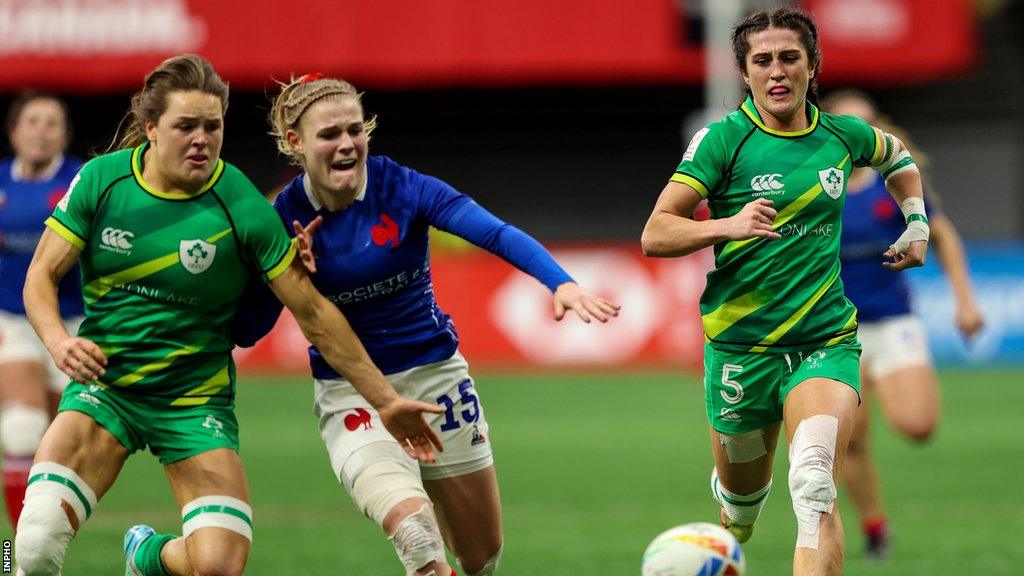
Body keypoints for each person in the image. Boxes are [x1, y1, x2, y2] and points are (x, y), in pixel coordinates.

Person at [14, 54, 442, 576]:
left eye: (211, 126)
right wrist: (59, 341)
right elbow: (40, 276)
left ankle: (147, 556)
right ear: (151, 128)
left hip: (194, 403)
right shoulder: (102, 181)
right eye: (185, 126)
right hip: (108, 390)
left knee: (216, 567)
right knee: (29, 547)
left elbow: (312, 312)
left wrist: (387, 401)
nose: (201, 139)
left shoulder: (242, 205)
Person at [231, 73, 620, 576]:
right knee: (415, 533)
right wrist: (286, 277)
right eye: (329, 135)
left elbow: (493, 232)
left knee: (481, 557)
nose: (347, 143)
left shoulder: (402, 187)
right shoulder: (279, 220)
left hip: (438, 380)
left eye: (355, 129)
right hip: (353, 394)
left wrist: (559, 282)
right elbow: (248, 330)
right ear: (295, 143)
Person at [640, 7, 928, 575]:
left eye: (789, 58)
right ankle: (736, 500)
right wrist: (725, 225)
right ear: (744, 73)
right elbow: (656, 233)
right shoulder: (722, 142)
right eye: (763, 61)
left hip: (825, 339)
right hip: (741, 348)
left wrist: (915, 221)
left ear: (812, 65)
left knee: (816, 479)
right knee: (743, 501)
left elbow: (898, 158)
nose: (777, 71)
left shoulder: (842, 135)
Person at [821, 89, 984, 559]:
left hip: (892, 320)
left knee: (918, 425)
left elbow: (942, 231)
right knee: (849, 439)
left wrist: (965, 301)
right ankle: (876, 528)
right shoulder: (811, 183)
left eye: (867, 123)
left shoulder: (892, 180)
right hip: (834, 328)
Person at [0, 92, 84, 530]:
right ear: (14, 132)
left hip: (70, 326)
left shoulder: (81, 183)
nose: (41, 131)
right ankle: (16, 552)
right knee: (20, 429)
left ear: (64, 135)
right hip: (11, 321)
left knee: (55, 451)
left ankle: (40, 543)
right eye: (32, 121)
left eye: (52, 123)